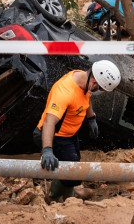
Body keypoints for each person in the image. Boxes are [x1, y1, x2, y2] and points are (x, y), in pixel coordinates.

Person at [35, 60, 120, 202]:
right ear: (93, 83)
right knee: (72, 173)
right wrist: (47, 150)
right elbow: (50, 121)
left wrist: (91, 118)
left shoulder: (83, 79)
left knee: (75, 164)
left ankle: (69, 194)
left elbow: (86, 98)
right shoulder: (64, 92)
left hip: (70, 134)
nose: (100, 92)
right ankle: (53, 197)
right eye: (100, 89)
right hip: (55, 136)